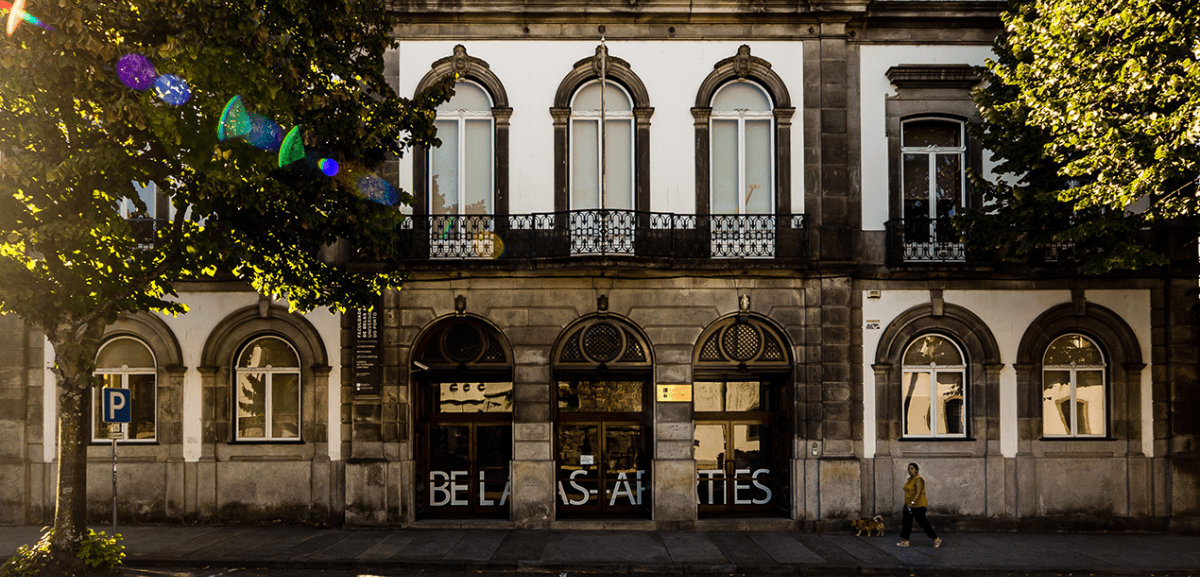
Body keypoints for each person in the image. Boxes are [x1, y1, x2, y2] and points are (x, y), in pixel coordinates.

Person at [897, 462, 941, 548]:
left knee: (923, 522)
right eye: (909, 468)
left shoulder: (918, 479)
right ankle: (905, 541)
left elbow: (918, 492)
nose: (910, 470)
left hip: (919, 505)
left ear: (917, 470)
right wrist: (908, 504)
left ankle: (936, 539)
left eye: (912, 468)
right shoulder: (909, 480)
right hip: (908, 505)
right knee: (907, 522)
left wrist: (912, 502)